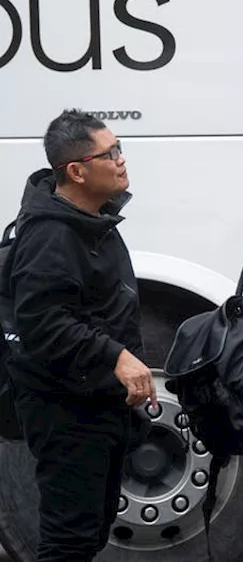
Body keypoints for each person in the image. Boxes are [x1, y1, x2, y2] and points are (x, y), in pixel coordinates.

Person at [1, 110, 152, 561]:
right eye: (111, 153)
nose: (122, 160)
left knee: (87, 538)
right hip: (64, 410)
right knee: (68, 543)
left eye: (120, 149)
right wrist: (117, 358)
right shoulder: (51, 234)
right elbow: (43, 323)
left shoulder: (93, 222)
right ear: (77, 171)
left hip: (95, 404)